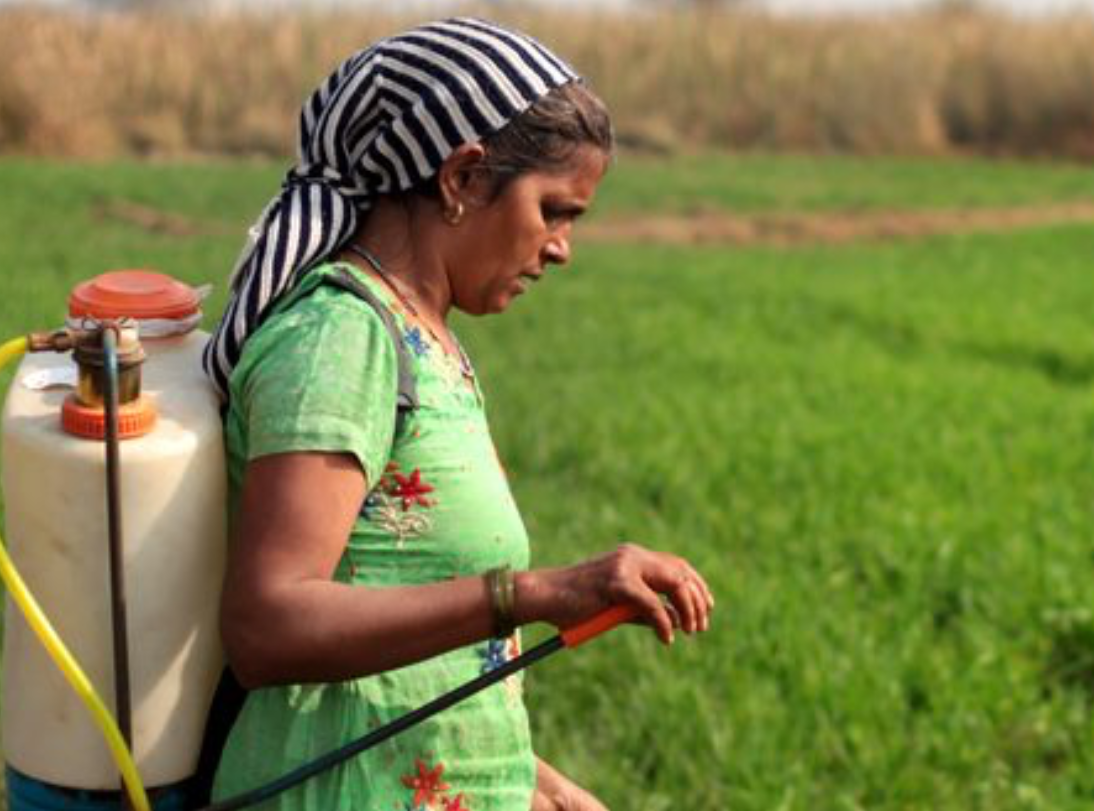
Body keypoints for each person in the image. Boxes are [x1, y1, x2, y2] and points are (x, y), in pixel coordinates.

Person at [202, 18, 714, 811]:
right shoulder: (342, 337)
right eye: (555, 209)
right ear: (464, 178)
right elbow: (268, 624)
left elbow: (413, 625)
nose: (562, 247)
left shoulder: (425, 338)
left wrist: (530, 780)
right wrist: (536, 592)